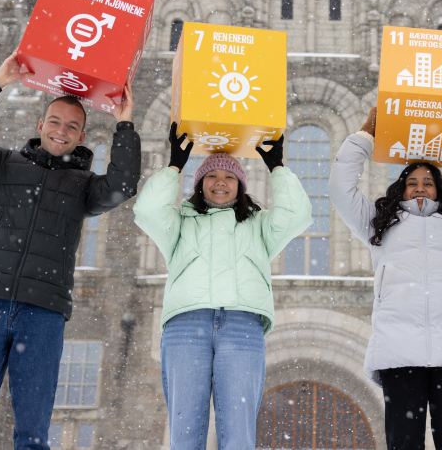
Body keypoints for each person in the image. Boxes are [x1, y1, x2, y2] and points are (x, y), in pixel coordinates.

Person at [0, 50, 141, 450]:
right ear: (40, 124)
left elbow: (122, 184)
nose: (61, 130)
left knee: (32, 430)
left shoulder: (85, 188)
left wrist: (125, 124)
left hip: (43, 313)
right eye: (54, 121)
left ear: (82, 136)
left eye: (72, 126)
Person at [328, 108, 442, 450]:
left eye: (428, 182)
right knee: (404, 443)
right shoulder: (380, 227)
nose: (420, 189)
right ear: (401, 190)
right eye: (412, 183)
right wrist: (366, 134)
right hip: (400, 351)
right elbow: (341, 188)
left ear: (439, 190)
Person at [132, 125, 312, 450]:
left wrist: (277, 167)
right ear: (200, 184)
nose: (220, 182)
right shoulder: (180, 223)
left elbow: (297, 215)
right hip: (186, 326)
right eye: (211, 175)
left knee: (238, 433)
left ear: (240, 186)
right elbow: (146, 211)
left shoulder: (258, 225)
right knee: (186, 431)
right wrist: (174, 165)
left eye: (228, 177)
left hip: (242, 328)